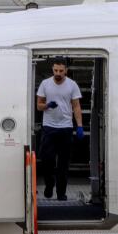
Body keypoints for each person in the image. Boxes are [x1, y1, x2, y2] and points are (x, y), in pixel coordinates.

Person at [36, 57, 83, 201]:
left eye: (61, 71)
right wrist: (48, 105)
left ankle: (61, 193)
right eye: (55, 70)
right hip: (49, 127)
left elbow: (76, 106)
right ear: (52, 69)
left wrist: (79, 126)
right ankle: (49, 185)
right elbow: (39, 106)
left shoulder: (72, 85)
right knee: (47, 161)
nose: (58, 73)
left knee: (63, 164)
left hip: (65, 128)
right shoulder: (45, 84)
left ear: (66, 71)